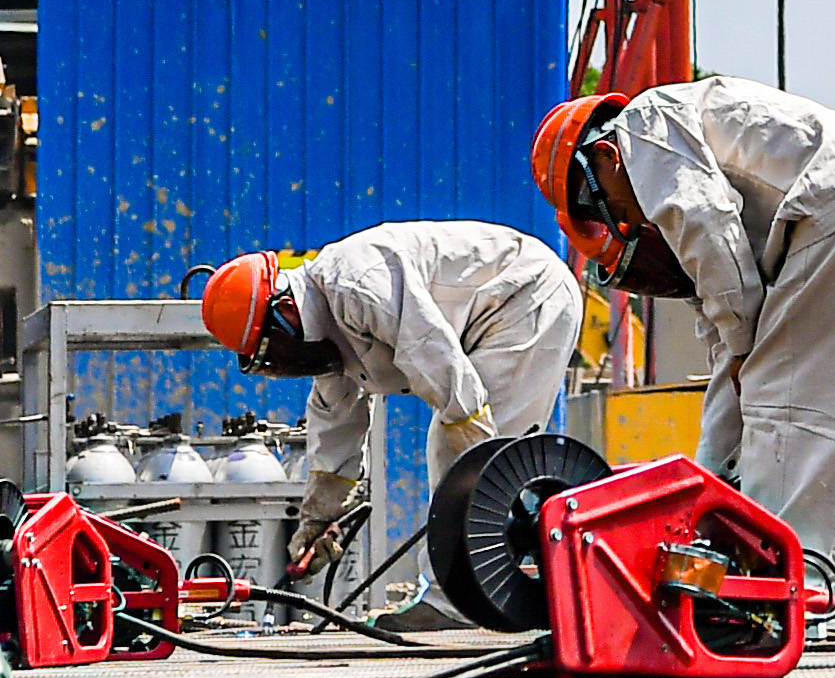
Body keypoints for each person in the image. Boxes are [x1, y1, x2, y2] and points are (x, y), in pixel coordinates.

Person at [538, 79, 835, 606]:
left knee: (792, 414)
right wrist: (703, 484)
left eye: (599, 208)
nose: (621, 222)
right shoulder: (728, 191)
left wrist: (742, 349)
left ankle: (776, 600)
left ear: (603, 156)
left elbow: (703, 223)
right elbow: (727, 378)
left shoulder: (644, 126)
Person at [200, 223, 588, 580]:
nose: (287, 365)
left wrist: (486, 478)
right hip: (496, 313)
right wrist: (319, 518)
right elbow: (335, 426)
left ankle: (452, 600)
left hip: (526, 296)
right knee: (460, 453)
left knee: (458, 444)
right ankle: (464, 589)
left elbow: (436, 361)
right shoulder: (324, 332)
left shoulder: (355, 283)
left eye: (277, 352)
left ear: (286, 311)